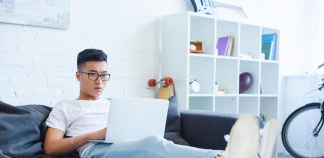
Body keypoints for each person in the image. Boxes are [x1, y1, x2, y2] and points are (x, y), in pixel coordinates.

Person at [44, 49, 270, 158]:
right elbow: (51, 147)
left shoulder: (114, 104)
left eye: (104, 75)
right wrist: (96, 134)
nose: (99, 81)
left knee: (152, 143)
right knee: (152, 143)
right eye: (92, 74)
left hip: (126, 145)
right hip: (94, 150)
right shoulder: (65, 107)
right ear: (78, 76)